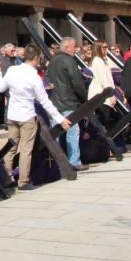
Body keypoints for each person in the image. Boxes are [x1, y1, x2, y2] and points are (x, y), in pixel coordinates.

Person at [0, 45, 70, 190]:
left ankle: (5, 177)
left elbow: (0, 88)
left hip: (12, 115)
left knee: (10, 147)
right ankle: (23, 181)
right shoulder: (34, 77)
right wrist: (61, 119)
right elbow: (45, 102)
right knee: (25, 149)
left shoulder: (12, 70)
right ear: (36, 58)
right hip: (27, 116)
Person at [45, 37, 89, 171]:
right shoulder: (69, 61)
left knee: (56, 133)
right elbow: (77, 82)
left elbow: (48, 79)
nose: (76, 49)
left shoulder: (52, 61)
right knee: (72, 131)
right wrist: (83, 97)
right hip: (69, 101)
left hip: (54, 101)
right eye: (74, 47)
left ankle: (58, 163)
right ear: (67, 47)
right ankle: (74, 161)